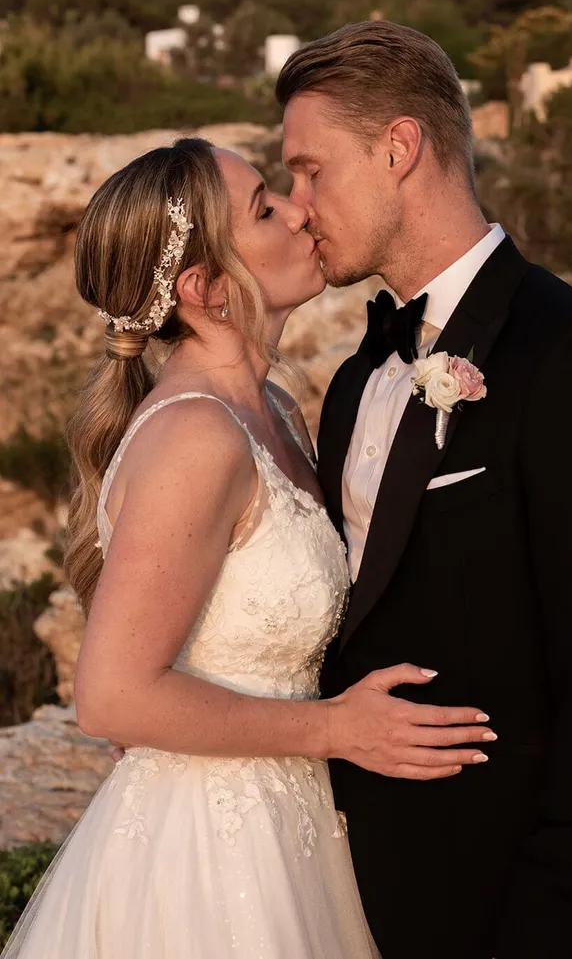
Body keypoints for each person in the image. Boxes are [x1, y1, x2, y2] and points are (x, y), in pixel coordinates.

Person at [1, 137, 497, 959]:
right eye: (266, 208)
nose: (301, 212)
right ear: (202, 287)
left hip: (293, 818)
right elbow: (112, 696)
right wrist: (336, 729)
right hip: (208, 850)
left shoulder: (272, 408)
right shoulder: (197, 435)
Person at [276, 21, 572, 959]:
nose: (298, 206)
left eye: (311, 170)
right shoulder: (355, 377)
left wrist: (551, 928)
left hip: (530, 909)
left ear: (399, 148)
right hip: (356, 892)